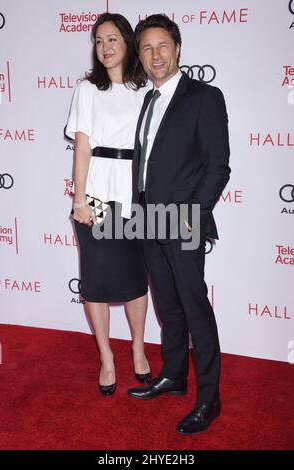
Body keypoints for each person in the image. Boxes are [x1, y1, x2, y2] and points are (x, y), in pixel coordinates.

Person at [127, 14, 230, 435]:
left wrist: (192, 215)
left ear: (178, 48)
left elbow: (218, 167)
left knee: (195, 309)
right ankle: (173, 375)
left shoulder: (205, 96)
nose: (155, 55)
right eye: (147, 48)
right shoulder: (147, 100)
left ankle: (209, 398)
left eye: (162, 46)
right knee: (168, 308)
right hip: (147, 220)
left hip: (182, 221)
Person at [66, 12, 152, 397]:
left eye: (113, 38)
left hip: (135, 198)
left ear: (128, 42)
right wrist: (79, 199)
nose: (105, 47)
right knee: (97, 283)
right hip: (97, 198)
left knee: (136, 280)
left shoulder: (146, 88)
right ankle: (106, 357)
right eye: (99, 41)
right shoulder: (87, 90)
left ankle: (137, 346)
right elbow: (82, 147)